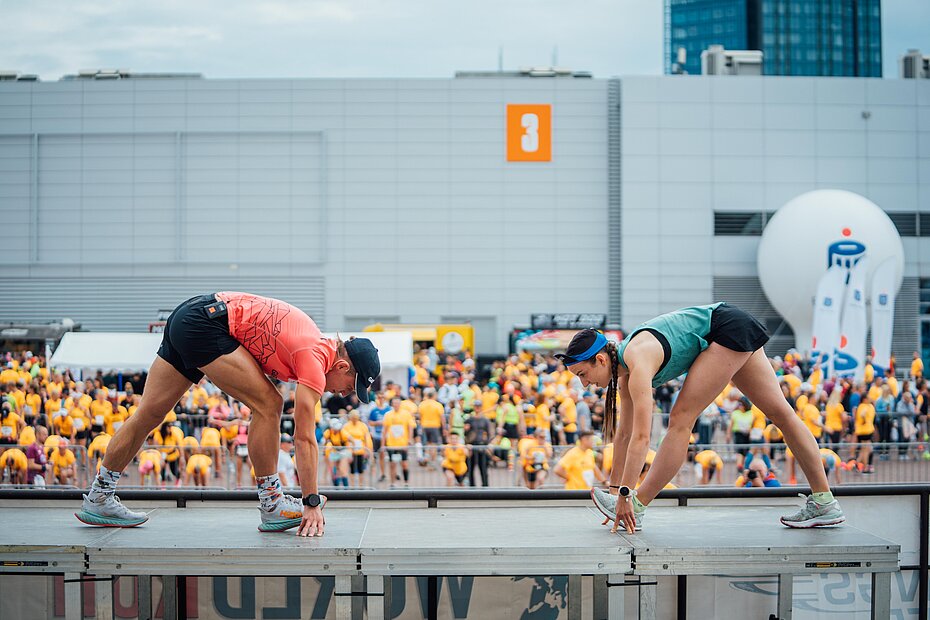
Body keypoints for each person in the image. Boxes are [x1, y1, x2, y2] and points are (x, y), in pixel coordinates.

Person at [76, 291, 381, 537]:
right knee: (270, 404)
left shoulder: (314, 343)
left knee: (149, 414)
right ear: (342, 366)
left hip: (191, 316)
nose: (344, 395)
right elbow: (304, 439)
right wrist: (311, 501)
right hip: (206, 323)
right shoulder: (314, 359)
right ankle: (271, 502)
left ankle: (99, 496)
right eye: (349, 387)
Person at [558, 303, 844, 533]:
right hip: (731, 323)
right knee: (781, 415)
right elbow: (623, 435)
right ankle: (824, 501)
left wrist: (624, 497)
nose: (584, 384)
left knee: (681, 420)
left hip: (725, 328)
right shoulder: (625, 373)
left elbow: (642, 438)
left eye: (583, 374)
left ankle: (639, 506)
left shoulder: (637, 360)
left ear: (601, 360)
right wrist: (614, 494)